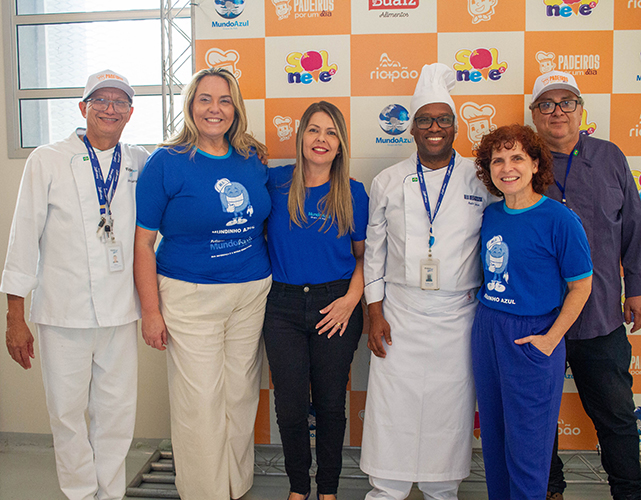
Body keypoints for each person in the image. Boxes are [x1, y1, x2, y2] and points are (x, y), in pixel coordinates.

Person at [1, 69, 148, 500]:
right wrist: (14, 314)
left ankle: (111, 494)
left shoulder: (139, 161)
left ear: (130, 112)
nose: (109, 108)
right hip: (62, 313)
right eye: (99, 100)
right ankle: (81, 494)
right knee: (67, 416)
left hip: (121, 312)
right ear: (82, 108)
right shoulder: (46, 159)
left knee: (117, 414)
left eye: (119, 102)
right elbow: (23, 237)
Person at [134, 67, 271, 500]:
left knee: (240, 395)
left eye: (225, 100)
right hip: (190, 296)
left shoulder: (251, 156)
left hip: (251, 293)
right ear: (190, 106)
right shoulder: (166, 163)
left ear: (236, 108)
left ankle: (236, 485)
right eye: (205, 99)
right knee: (200, 404)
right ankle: (204, 493)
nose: (215, 108)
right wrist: (151, 311)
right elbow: (143, 244)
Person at [360, 62, 496, 500]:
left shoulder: (482, 178)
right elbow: (374, 253)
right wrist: (374, 312)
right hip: (397, 312)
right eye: (424, 120)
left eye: (442, 120)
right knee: (391, 409)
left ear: (455, 127)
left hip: (459, 315)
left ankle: (442, 491)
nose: (433, 128)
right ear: (412, 129)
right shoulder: (387, 181)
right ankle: (386, 489)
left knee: (449, 410)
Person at [528, 71, 641, 500]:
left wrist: (637, 289)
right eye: (546, 104)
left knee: (615, 415)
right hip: (537, 318)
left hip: (599, 317)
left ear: (581, 111)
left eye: (566, 102)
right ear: (535, 116)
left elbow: (634, 227)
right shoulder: (520, 161)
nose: (557, 111)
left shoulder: (611, 157)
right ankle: (548, 491)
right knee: (538, 418)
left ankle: (629, 492)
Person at [472, 124, 593, 500]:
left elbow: (581, 286)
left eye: (517, 157)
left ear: (536, 163)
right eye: (498, 160)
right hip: (489, 328)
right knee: (495, 439)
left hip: (533, 335)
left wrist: (551, 339)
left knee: (528, 447)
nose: (507, 167)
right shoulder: (490, 216)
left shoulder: (559, 220)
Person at [263, 101, 368, 500]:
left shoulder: (353, 193)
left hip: (335, 306)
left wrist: (350, 300)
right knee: (290, 408)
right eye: (313, 130)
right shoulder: (274, 183)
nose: (321, 139)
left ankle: (327, 491)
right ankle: (297, 488)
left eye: (330, 133)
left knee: (329, 406)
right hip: (282, 308)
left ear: (340, 145)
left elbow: (364, 258)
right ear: (300, 136)